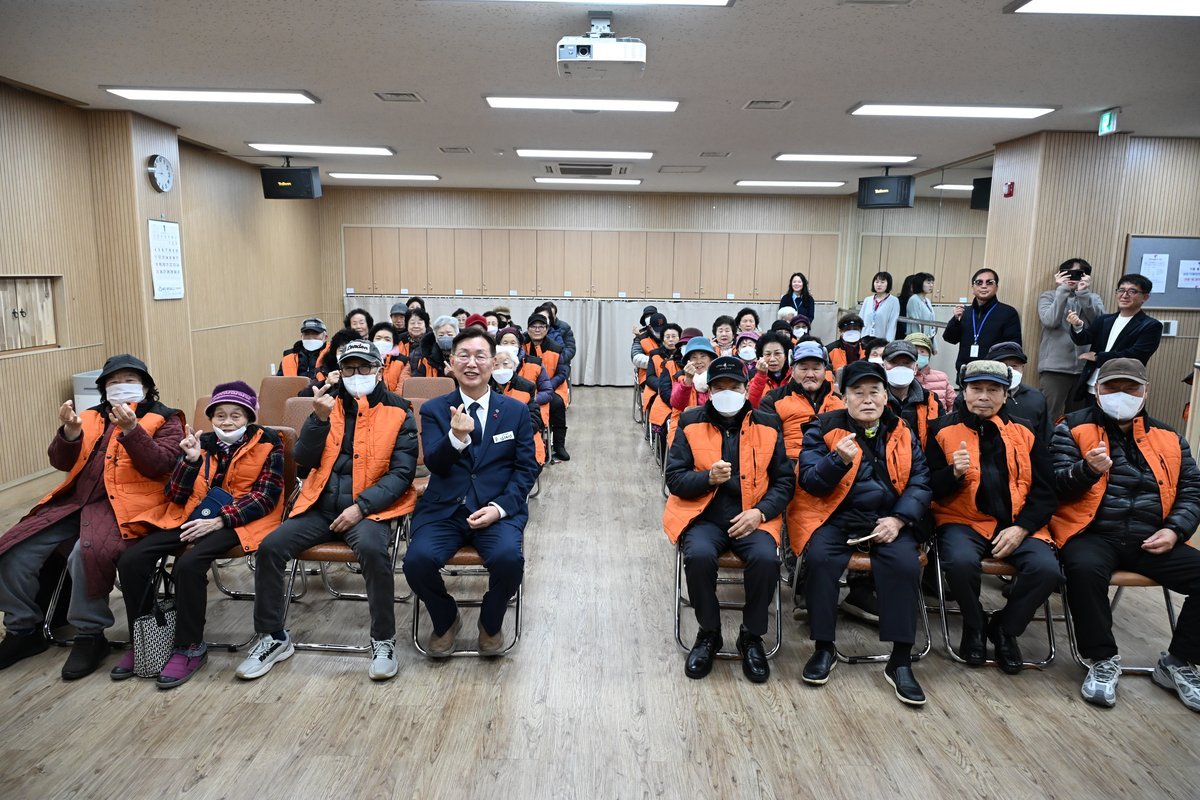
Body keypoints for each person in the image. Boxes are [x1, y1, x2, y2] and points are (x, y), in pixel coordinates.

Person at [234, 340, 418, 682]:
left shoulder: (399, 411)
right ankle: (273, 637)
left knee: (374, 552)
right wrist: (317, 420)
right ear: (340, 372)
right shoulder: (326, 405)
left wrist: (361, 507)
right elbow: (303, 460)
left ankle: (383, 640)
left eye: (364, 367)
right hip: (320, 506)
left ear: (379, 371)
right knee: (270, 548)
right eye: (349, 368)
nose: (356, 374)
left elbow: (402, 473)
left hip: (368, 510)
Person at [0, 355, 184, 678]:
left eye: (130, 380)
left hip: (127, 507)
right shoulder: (89, 417)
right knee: (15, 548)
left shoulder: (166, 419)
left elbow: (160, 464)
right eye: (114, 382)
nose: (121, 386)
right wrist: (69, 433)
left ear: (145, 386)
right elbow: (61, 462)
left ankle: (90, 635)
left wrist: (132, 430)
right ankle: (23, 629)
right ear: (103, 389)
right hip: (75, 502)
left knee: (86, 552)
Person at [1050, 358, 1200, 710]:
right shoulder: (1071, 427)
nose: (1121, 394)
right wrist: (1086, 470)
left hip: (1153, 537)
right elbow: (1054, 484)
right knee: (1083, 570)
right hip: (1090, 532)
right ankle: (1101, 659)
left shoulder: (1170, 438)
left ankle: (1179, 662)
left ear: (1146, 391)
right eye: (1111, 387)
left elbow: (1192, 491)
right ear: (1096, 391)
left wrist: (1175, 530)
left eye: (1130, 388)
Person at [115, 382, 285, 688]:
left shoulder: (269, 443)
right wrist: (190, 462)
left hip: (241, 521)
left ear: (249, 417)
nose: (227, 422)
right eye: (220, 415)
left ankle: (189, 645)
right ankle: (145, 636)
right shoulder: (200, 442)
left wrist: (221, 520)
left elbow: (266, 497)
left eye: (235, 415)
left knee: (189, 564)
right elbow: (175, 494)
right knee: (132, 560)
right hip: (194, 514)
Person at [792, 361, 932, 706]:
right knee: (820, 559)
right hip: (835, 517)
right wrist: (836, 461)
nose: (867, 399)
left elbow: (920, 481)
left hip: (888, 519)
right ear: (844, 397)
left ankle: (900, 660)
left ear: (886, 397)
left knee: (906, 565)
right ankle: (824, 647)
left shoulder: (902, 429)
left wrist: (898, 520)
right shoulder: (823, 427)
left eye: (874, 392)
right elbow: (809, 481)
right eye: (858, 392)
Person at [404, 329, 539, 657]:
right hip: (444, 510)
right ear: (451, 363)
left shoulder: (516, 411)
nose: (472, 363)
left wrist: (499, 508)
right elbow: (435, 463)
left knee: (509, 561)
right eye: (463, 355)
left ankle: (490, 622)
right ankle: (445, 618)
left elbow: (527, 469)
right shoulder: (434, 409)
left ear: (493, 362)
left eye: (480, 356)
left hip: (495, 510)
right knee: (416, 562)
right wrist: (456, 438)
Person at [664, 356, 792, 683]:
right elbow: (674, 479)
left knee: (766, 559)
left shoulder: (767, 423)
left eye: (733, 386)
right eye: (719, 387)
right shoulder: (690, 421)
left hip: (753, 516)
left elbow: (784, 482)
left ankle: (751, 635)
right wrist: (707, 478)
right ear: (708, 392)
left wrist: (760, 512)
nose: (726, 393)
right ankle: (709, 632)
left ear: (746, 388)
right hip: (704, 516)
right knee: (698, 556)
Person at [925, 360, 1059, 674]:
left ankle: (1005, 629)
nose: (984, 396)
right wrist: (953, 473)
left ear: (1006, 394)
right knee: (959, 563)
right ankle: (974, 626)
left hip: (1018, 524)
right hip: (962, 520)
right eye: (976, 388)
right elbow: (928, 487)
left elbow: (1046, 491)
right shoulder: (940, 429)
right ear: (963, 392)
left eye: (993, 389)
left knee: (1046, 570)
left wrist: (1022, 528)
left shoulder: (1026, 430)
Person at [1067, 273, 1163, 402]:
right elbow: (1083, 339)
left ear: (1145, 297)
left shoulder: (1151, 325)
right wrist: (1078, 326)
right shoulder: (1104, 319)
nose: (1124, 295)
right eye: (1121, 290)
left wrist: (1098, 357)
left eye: (1132, 291)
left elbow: (1136, 355)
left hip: (1122, 387)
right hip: (1093, 384)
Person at [1037, 259, 1104, 420]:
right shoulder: (1048, 296)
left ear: (1086, 276)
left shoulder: (1093, 298)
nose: (1073, 278)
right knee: (1049, 416)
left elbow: (1100, 324)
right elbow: (1050, 321)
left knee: (1078, 418)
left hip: (1084, 368)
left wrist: (1083, 294)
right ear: (1061, 274)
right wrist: (1062, 290)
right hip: (1054, 368)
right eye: (1069, 273)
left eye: (1078, 274)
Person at [943, 268, 1022, 371]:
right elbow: (950, 339)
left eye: (989, 282)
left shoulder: (1008, 312)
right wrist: (955, 320)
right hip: (966, 371)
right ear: (972, 287)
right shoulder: (965, 312)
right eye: (979, 282)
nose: (984, 286)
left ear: (996, 287)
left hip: (993, 372)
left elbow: (1013, 347)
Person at [492, 347, 547, 466]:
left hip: (522, 440)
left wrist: (513, 433)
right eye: (496, 364)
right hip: (493, 444)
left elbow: (534, 419)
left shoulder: (527, 387)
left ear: (514, 365)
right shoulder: (484, 388)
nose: (501, 368)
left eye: (506, 363)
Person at [987, 342, 1051, 442]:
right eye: (1003, 366)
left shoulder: (1036, 398)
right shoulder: (977, 398)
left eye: (1015, 366)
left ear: (1022, 368)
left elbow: (1045, 436)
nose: (1010, 371)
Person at [670, 337, 718, 448]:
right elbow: (676, 403)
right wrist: (688, 380)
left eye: (703, 356)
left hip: (715, 425)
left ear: (711, 360)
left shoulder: (719, 380)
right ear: (688, 361)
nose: (698, 361)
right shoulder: (681, 379)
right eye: (694, 357)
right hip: (686, 427)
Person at [647, 323, 683, 433]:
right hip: (662, 390)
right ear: (663, 340)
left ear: (680, 339)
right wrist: (663, 387)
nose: (671, 340)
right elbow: (650, 377)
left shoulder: (685, 356)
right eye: (667, 337)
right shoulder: (654, 354)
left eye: (674, 336)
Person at [905, 332, 955, 410]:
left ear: (929, 355)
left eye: (922, 351)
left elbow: (954, 405)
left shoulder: (942, 377)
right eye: (914, 351)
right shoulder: (901, 377)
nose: (918, 355)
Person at [747, 332, 791, 409]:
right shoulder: (753, 377)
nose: (772, 359)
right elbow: (751, 405)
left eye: (777, 353)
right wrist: (761, 375)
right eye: (767, 354)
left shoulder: (794, 376)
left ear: (785, 356)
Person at [859, 271, 900, 341]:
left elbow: (892, 325)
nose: (879, 285)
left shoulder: (894, 301)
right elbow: (860, 320)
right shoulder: (867, 300)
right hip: (864, 339)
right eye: (876, 282)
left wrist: (888, 343)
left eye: (882, 282)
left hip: (881, 341)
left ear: (888, 284)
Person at [898, 272, 937, 344]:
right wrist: (920, 343)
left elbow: (932, 324)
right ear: (920, 283)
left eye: (932, 283)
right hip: (918, 341)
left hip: (927, 339)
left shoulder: (927, 300)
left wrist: (934, 344)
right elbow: (915, 325)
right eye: (928, 283)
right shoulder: (914, 299)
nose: (931, 285)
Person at [537, 302, 577, 367]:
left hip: (559, 364)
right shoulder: (536, 326)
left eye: (551, 314)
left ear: (555, 315)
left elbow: (570, 349)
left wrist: (559, 359)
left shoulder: (564, 327)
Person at [371, 322, 406, 393]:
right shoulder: (365, 359)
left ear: (393, 343)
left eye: (387, 339)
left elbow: (402, 386)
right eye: (378, 338)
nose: (382, 342)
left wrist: (391, 398)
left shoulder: (403, 361)